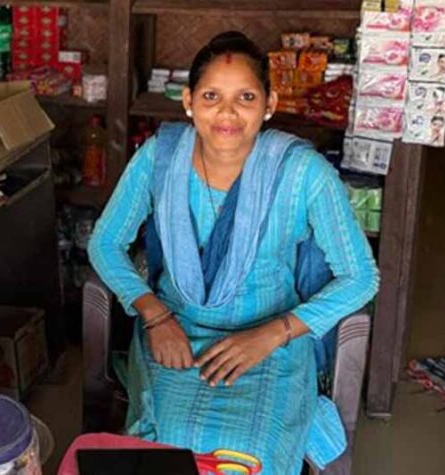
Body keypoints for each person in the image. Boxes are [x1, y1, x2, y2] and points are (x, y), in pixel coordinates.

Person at [88, 31, 379, 474]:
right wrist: (155, 315)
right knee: (169, 447)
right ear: (188, 101)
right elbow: (105, 243)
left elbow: (361, 277)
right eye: (211, 96)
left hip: (273, 343)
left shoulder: (303, 173)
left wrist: (272, 335)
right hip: (175, 333)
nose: (227, 112)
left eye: (245, 97)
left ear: (269, 104)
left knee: (252, 452)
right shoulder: (159, 158)